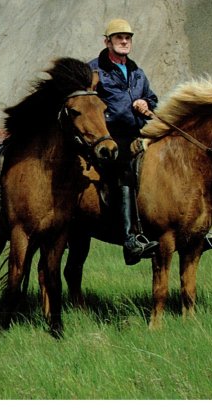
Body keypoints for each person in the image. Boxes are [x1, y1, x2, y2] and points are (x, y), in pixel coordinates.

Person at [89, 18, 160, 265]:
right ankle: (130, 240)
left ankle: (183, 230)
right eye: (119, 37)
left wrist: (146, 104)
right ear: (106, 41)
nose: (124, 41)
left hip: (138, 133)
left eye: (128, 37)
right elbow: (84, 104)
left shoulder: (137, 72)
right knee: (125, 169)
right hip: (107, 136)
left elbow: (152, 98)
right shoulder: (94, 71)